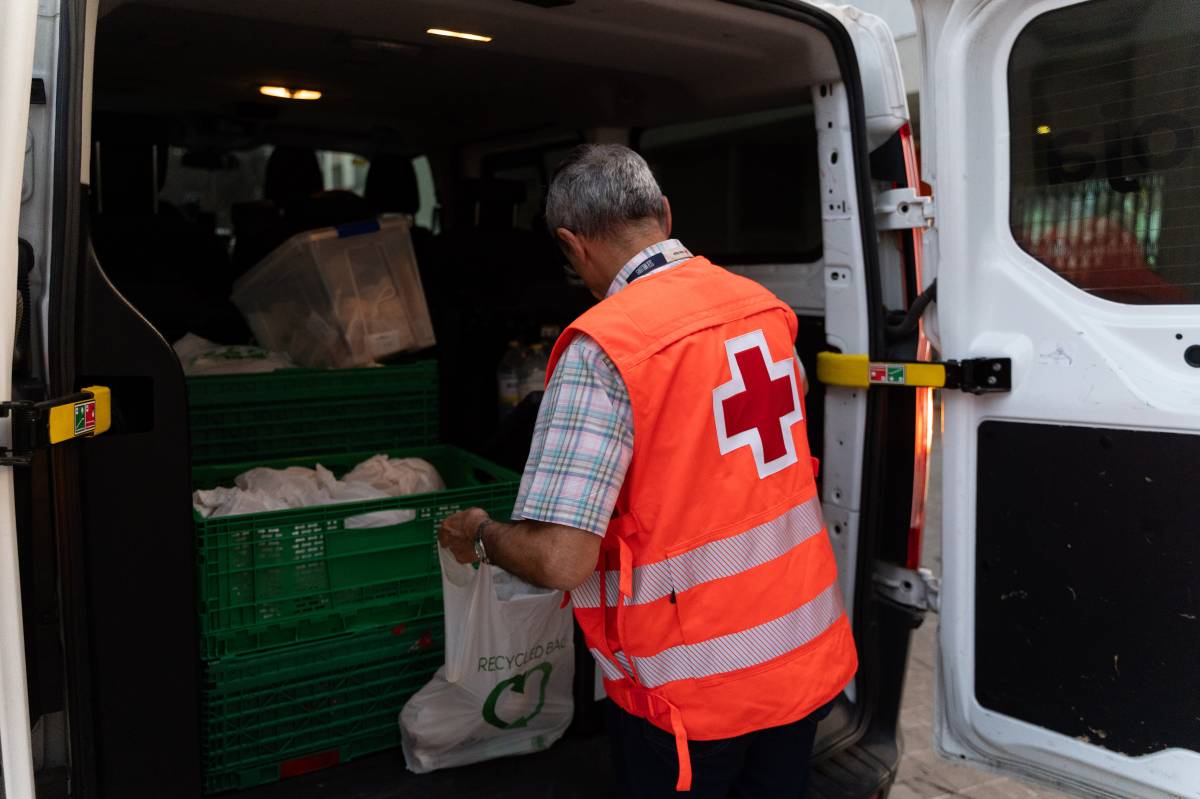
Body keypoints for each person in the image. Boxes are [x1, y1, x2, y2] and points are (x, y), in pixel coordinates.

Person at [439, 143, 857, 797]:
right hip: (801, 658)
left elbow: (562, 559)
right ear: (664, 212)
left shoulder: (605, 348)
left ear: (572, 245)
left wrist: (481, 534)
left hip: (692, 695)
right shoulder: (760, 307)